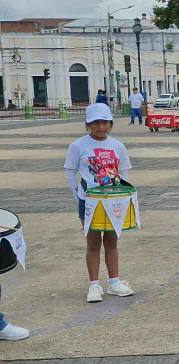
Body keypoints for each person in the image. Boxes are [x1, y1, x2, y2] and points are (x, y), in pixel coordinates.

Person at [64, 103, 136, 302]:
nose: (101, 127)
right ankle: (94, 285)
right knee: (93, 243)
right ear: (88, 124)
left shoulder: (117, 145)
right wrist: (77, 195)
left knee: (112, 242)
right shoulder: (78, 145)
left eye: (105, 122)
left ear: (110, 124)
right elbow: (70, 171)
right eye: (95, 123)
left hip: (112, 200)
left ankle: (114, 282)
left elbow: (123, 172)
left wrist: (121, 196)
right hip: (89, 201)